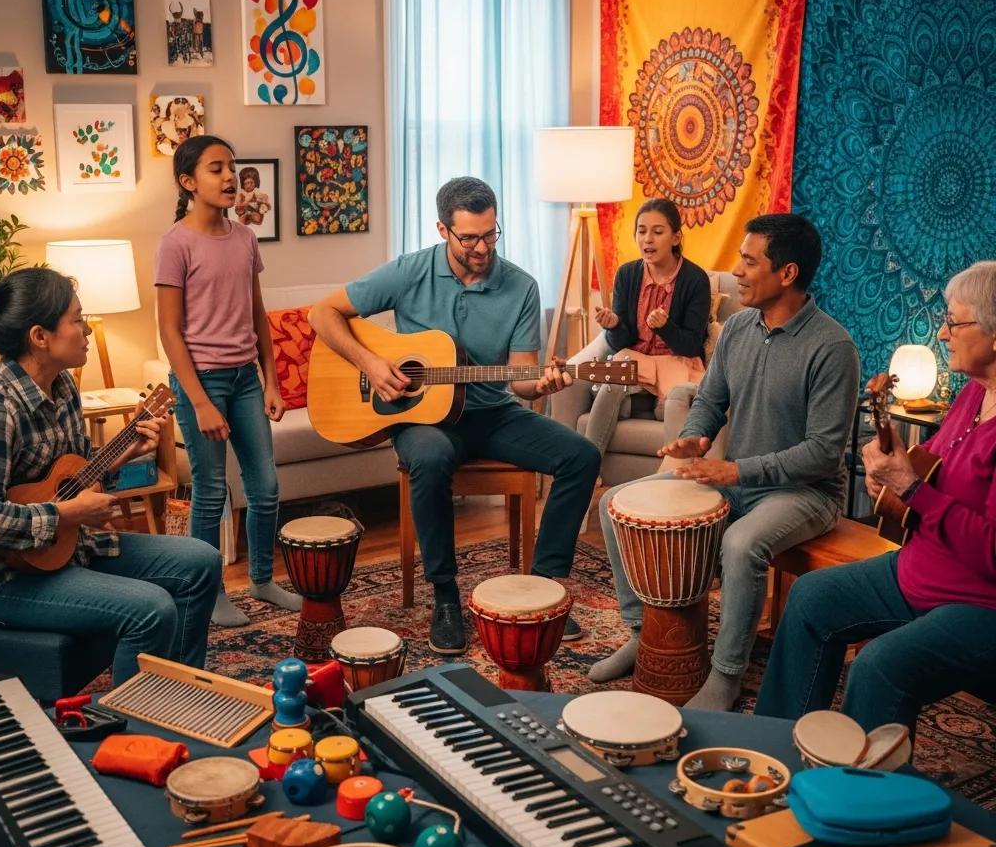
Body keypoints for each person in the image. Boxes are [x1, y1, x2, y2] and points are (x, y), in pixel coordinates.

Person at [309, 176, 601, 654]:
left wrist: (544, 383)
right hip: (423, 420)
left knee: (582, 456)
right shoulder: (411, 271)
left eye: (490, 234)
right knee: (429, 458)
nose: (482, 248)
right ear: (443, 230)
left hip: (493, 414)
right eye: (469, 238)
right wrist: (372, 364)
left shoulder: (521, 286)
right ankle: (445, 597)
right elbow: (322, 314)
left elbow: (522, 380)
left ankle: (544, 588)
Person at [589, 214, 860, 710]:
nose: (736, 271)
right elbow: (710, 402)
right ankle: (642, 631)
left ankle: (726, 673)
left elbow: (823, 453)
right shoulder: (737, 328)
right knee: (614, 505)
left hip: (806, 492)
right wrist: (692, 438)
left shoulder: (833, 347)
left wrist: (734, 471)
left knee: (740, 543)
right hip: (737, 479)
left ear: (787, 273)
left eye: (749, 261)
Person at [756, 261, 996, 731]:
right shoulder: (973, 394)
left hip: (979, 606)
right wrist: (889, 478)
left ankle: (858, 779)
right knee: (810, 599)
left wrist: (912, 490)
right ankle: (775, 746)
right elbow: (930, 461)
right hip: (917, 573)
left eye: (954, 322)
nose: (943, 334)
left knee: (878, 665)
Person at [0, 268, 220, 686]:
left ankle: (178, 693)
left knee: (202, 562)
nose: (86, 329)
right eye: (77, 319)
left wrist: (124, 455)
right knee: (151, 607)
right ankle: (130, 722)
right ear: (40, 336)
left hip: (68, 549)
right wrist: (68, 515)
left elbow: (75, 473)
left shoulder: (63, 387)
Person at [156, 134, 297, 627]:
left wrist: (272, 382)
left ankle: (261, 580)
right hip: (203, 382)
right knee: (211, 491)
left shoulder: (245, 238)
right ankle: (209, 593)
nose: (230, 176)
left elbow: (258, 315)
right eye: (216, 168)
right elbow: (169, 331)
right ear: (188, 181)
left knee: (266, 487)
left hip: (245, 380)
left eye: (232, 167)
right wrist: (199, 402)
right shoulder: (175, 244)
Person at [586, 198, 710, 456]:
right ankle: (587, 464)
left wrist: (665, 327)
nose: (648, 239)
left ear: (676, 237)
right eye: (641, 231)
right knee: (611, 385)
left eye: (658, 231)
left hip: (677, 361)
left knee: (667, 410)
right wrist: (614, 325)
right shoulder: (627, 274)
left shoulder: (695, 279)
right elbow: (621, 342)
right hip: (637, 359)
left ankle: (642, 406)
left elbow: (691, 344)